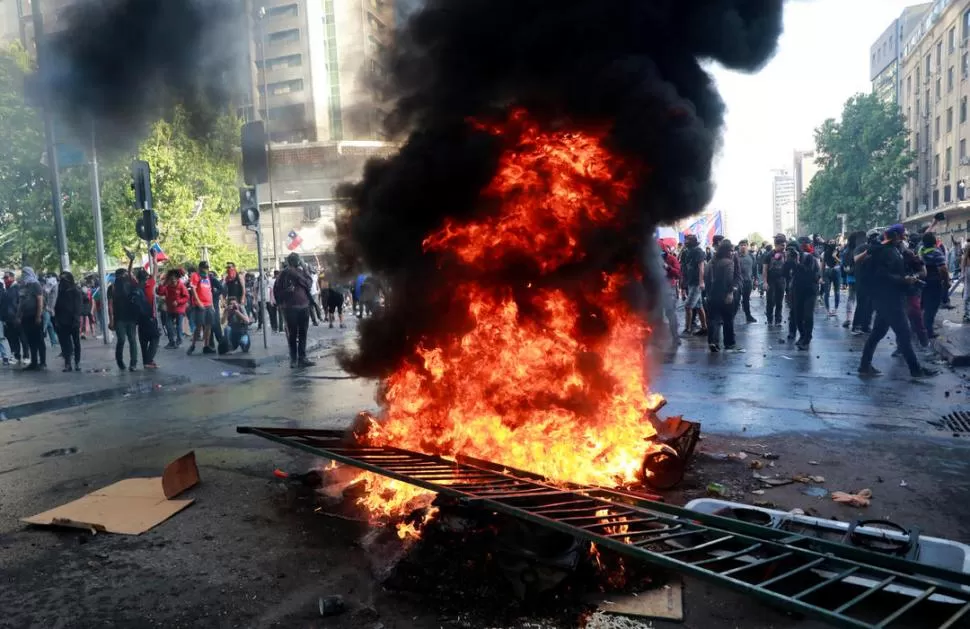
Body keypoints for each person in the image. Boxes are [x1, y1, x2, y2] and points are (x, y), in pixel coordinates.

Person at [858, 225, 938, 378]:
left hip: (888, 299)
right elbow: (883, 275)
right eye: (903, 234)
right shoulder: (886, 251)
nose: (905, 237)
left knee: (877, 333)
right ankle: (915, 370)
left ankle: (864, 365)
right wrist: (903, 280)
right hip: (889, 300)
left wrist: (908, 278)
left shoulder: (895, 250)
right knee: (904, 334)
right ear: (896, 236)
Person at [274, 252, 315, 368]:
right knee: (296, 334)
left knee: (299, 333)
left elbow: (308, 283)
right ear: (297, 261)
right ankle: (297, 358)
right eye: (299, 260)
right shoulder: (287, 274)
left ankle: (299, 358)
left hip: (301, 306)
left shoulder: (288, 273)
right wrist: (287, 292)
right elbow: (308, 283)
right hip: (292, 307)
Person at [706, 240, 741, 353]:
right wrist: (730, 292)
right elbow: (729, 279)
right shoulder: (728, 262)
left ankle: (713, 342)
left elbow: (706, 277)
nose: (732, 253)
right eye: (730, 250)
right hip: (725, 295)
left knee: (713, 319)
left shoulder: (711, 262)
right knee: (728, 320)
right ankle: (729, 343)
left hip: (712, 294)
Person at [789, 237, 821, 350]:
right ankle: (802, 335)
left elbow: (809, 273)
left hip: (810, 290)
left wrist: (797, 263)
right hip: (797, 290)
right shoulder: (790, 259)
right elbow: (784, 272)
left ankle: (807, 338)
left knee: (808, 315)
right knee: (797, 316)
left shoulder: (809, 257)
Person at [108, 267, 140, 371]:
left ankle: (133, 363)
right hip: (119, 318)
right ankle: (120, 361)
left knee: (132, 340)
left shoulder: (131, 285)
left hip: (131, 317)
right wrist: (111, 320)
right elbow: (110, 305)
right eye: (124, 275)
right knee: (121, 339)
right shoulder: (112, 288)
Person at [920, 231, 949, 341]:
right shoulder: (936, 252)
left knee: (924, 306)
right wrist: (946, 282)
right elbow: (943, 269)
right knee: (932, 307)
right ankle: (928, 331)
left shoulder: (921, 250)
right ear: (934, 241)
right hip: (934, 283)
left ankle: (921, 327)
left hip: (923, 282)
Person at [851, 231, 881, 335]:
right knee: (862, 303)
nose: (876, 239)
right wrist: (867, 252)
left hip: (873, 280)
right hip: (862, 280)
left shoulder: (879, 249)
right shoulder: (861, 247)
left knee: (871, 304)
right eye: (874, 237)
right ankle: (856, 326)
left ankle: (866, 325)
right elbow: (856, 259)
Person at [54, 271, 82, 372]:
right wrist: (56, 319)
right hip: (62, 321)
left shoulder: (75, 291)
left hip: (72, 321)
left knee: (76, 342)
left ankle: (77, 363)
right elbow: (57, 306)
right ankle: (67, 363)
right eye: (60, 280)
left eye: (64, 280)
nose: (62, 282)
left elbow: (78, 307)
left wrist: (76, 320)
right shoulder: (61, 291)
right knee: (65, 343)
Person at [187, 261, 217, 355]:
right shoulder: (195, 276)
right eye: (204, 268)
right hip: (200, 305)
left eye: (207, 268)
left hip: (208, 304)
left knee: (208, 326)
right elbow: (193, 289)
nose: (205, 269)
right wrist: (199, 302)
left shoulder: (207, 277)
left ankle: (206, 345)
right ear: (199, 268)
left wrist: (212, 304)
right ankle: (193, 345)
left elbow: (209, 291)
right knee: (199, 326)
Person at [18, 267, 45, 371]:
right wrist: (18, 315)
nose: (23, 274)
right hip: (26, 317)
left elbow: (40, 300)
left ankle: (42, 362)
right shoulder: (23, 286)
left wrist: (38, 316)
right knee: (30, 340)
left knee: (39, 340)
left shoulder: (35, 284)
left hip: (35, 316)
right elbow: (21, 302)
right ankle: (34, 362)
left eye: (25, 272)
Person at [681, 234, 708, 336]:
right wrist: (683, 286)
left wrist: (701, 282)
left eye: (687, 240)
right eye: (685, 240)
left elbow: (701, 267)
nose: (685, 242)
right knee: (699, 306)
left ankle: (688, 329)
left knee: (688, 306)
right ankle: (704, 328)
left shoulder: (698, 251)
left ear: (692, 241)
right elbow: (684, 269)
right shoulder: (686, 252)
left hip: (697, 283)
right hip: (691, 283)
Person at [135, 268, 160, 369]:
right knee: (155, 337)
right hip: (150, 316)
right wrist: (154, 260)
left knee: (143, 341)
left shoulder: (135, 287)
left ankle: (146, 361)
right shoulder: (150, 284)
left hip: (139, 318)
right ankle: (148, 360)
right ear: (146, 278)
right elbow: (155, 272)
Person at [158, 269, 189, 348]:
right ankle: (171, 341)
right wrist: (161, 284)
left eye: (174, 279)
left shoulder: (181, 286)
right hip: (170, 309)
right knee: (168, 325)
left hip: (179, 309)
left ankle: (179, 340)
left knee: (179, 325)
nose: (173, 281)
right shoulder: (167, 286)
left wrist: (178, 302)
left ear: (177, 278)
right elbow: (160, 292)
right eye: (171, 279)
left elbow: (186, 297)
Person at [762, 234, 788, 327]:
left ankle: (778, 320)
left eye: (785, 245)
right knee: (770, 301)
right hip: (771, 281)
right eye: (783, 245)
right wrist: (765, 282)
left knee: (779, 301)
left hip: (781, 280)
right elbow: (764, 270)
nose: (784, 247)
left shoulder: (786, 254)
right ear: (777, 245)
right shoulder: (769, 255)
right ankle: (769, 319)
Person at [1, 271, 25, 365]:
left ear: (12, 277)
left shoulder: (17, 288)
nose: (6, 280)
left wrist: (19, 316)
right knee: (12, 338)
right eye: (5, 278)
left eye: (7, 277)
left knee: (22, 338)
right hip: (8, 318)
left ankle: (26, 355)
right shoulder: (6, 289)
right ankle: (16, 354)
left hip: (16, 317)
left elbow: (20, 303)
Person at [737, 240, 757, 323]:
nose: (743, 246)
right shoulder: (735, 256)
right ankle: (729, 318)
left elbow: (755, 268)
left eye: (744, 245)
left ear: (747, 246)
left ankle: (748, 316)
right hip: (737, 282)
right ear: (739, 247)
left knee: (746, 300)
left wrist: (755, 280)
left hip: (748, 282)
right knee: (735, 301)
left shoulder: (751, 256)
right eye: (741, 245)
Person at [821, 240, 841, 317]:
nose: (832, 243)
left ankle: (835, 310)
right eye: (830, 242)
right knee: (827, 292)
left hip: (835, 270)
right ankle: (828, 310)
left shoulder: (838, 251)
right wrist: (821, 276)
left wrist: (835, 256)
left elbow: (841, 262)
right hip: (828, 271)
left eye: (833, 242)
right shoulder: (825, 253)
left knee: (837, 291)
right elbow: (822, 264)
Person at [42, 274, 59, 348]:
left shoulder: (51, 283)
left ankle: (53, 341)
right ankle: (53, 341)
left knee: (47, 325)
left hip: (48, 307)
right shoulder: (53, 283)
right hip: (48, 307)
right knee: (47, 325)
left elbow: (46, 292)